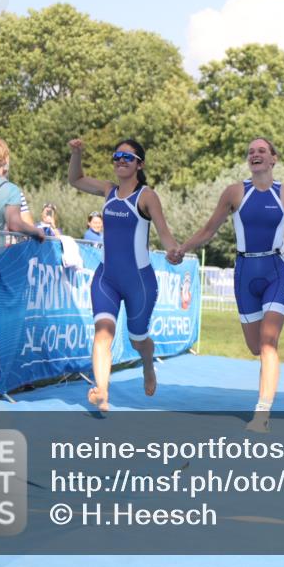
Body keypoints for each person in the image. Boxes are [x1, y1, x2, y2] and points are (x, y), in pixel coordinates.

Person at [167, 138, 284, 432]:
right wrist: (183, 247)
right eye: (251, 151)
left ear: (273, 159)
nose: (255, 154)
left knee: (268, 342)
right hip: (245, 272)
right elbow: (209, 229)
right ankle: (264, 393)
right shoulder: (234, 192)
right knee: (254, 347)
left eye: (261, 151)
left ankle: (262, 413)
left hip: (277, 270)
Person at [68, 137, 179, 412]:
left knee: (137, 341)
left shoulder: (147, 196)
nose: (120, 160)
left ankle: (148, 365)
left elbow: (164, 232)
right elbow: (76, 179)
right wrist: (76, 153)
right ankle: (102, 391)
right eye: (116, 155)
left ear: (139, 164)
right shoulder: (107, 190)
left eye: (127, 157)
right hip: (106, 278)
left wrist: (173, 250)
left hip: (139, 282)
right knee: (102, 333)